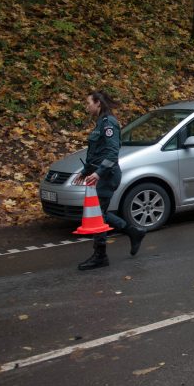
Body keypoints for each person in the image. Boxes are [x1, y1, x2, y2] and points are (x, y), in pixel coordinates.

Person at [73, 90, 146, 271]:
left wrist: (98, 173)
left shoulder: (109, 123)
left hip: (108, 175)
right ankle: (133, 232)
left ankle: (101, 255)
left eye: (88, 102)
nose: (86, 106)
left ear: (98, 103)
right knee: (99, 214)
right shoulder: (100, 123)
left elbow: (112, 153)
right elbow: (97, 153)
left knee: (97, 216)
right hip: (101, 174)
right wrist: (85, 171)